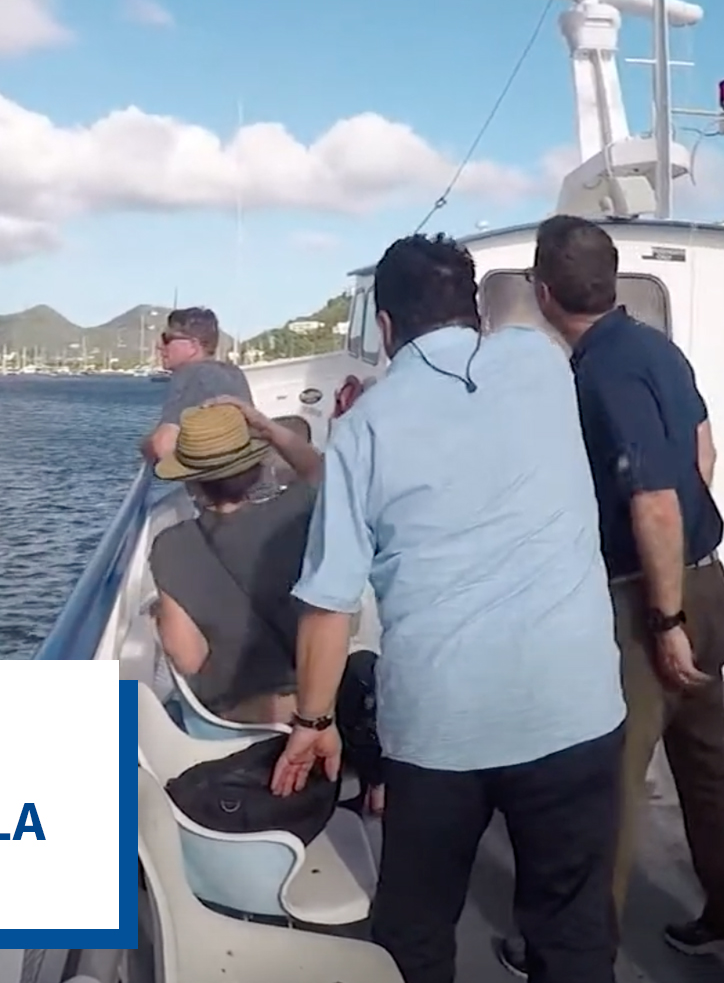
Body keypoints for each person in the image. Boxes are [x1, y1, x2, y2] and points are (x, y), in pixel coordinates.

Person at [270, 232, 626, 983]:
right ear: (475, 309)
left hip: (440, 732)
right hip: (575, 707)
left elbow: (330, 602)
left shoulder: (365, 431)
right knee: (573, 929)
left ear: (388, 328)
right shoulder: (542, 363)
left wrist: (312, 722)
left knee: (417, 928)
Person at [503, 215, 724, 975]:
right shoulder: (656, 349)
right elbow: (701, 450)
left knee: (609, 776)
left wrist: (664, 611)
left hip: (655, 603)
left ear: (545, 293)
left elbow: (651, 497)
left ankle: (583, 950)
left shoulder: (601, 369)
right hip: (713, 583)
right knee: (708, 761)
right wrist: (687, 564)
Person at [149, 398, 325, 726]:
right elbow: (319, 470)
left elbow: (189, 658)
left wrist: (160, 620)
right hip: (314, 711)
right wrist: (266, 426)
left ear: (190, 480)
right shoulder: (297, 514)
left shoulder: (169, 546)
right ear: (258, 469)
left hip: (231, 721)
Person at [142, 307, 252, 468]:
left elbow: (162, 447)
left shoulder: (191, 374)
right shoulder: (234, 373)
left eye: (167, 338)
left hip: (219, 490)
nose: (160, 346)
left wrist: (145, 445)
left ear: (193, 345)